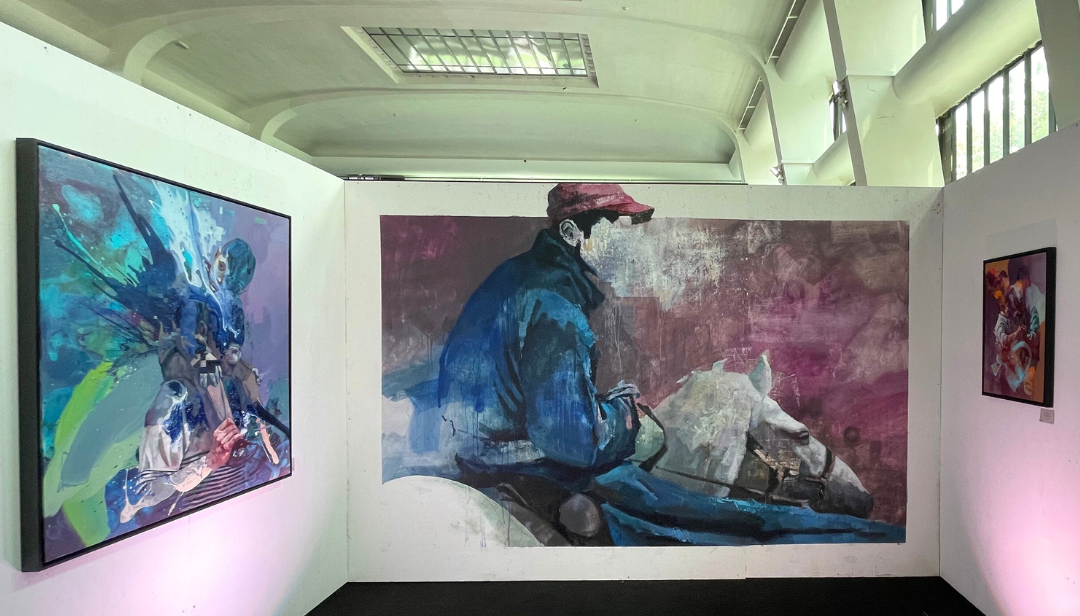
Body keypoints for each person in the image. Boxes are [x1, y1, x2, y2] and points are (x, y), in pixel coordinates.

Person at [436, 183, 654, 545]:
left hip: (472, 458)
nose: (632, 251)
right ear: (571, 232)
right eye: (618, 234)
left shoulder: (515, 274)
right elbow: (570, 441)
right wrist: (625, 414)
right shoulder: (556, 306)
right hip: (518, 472)